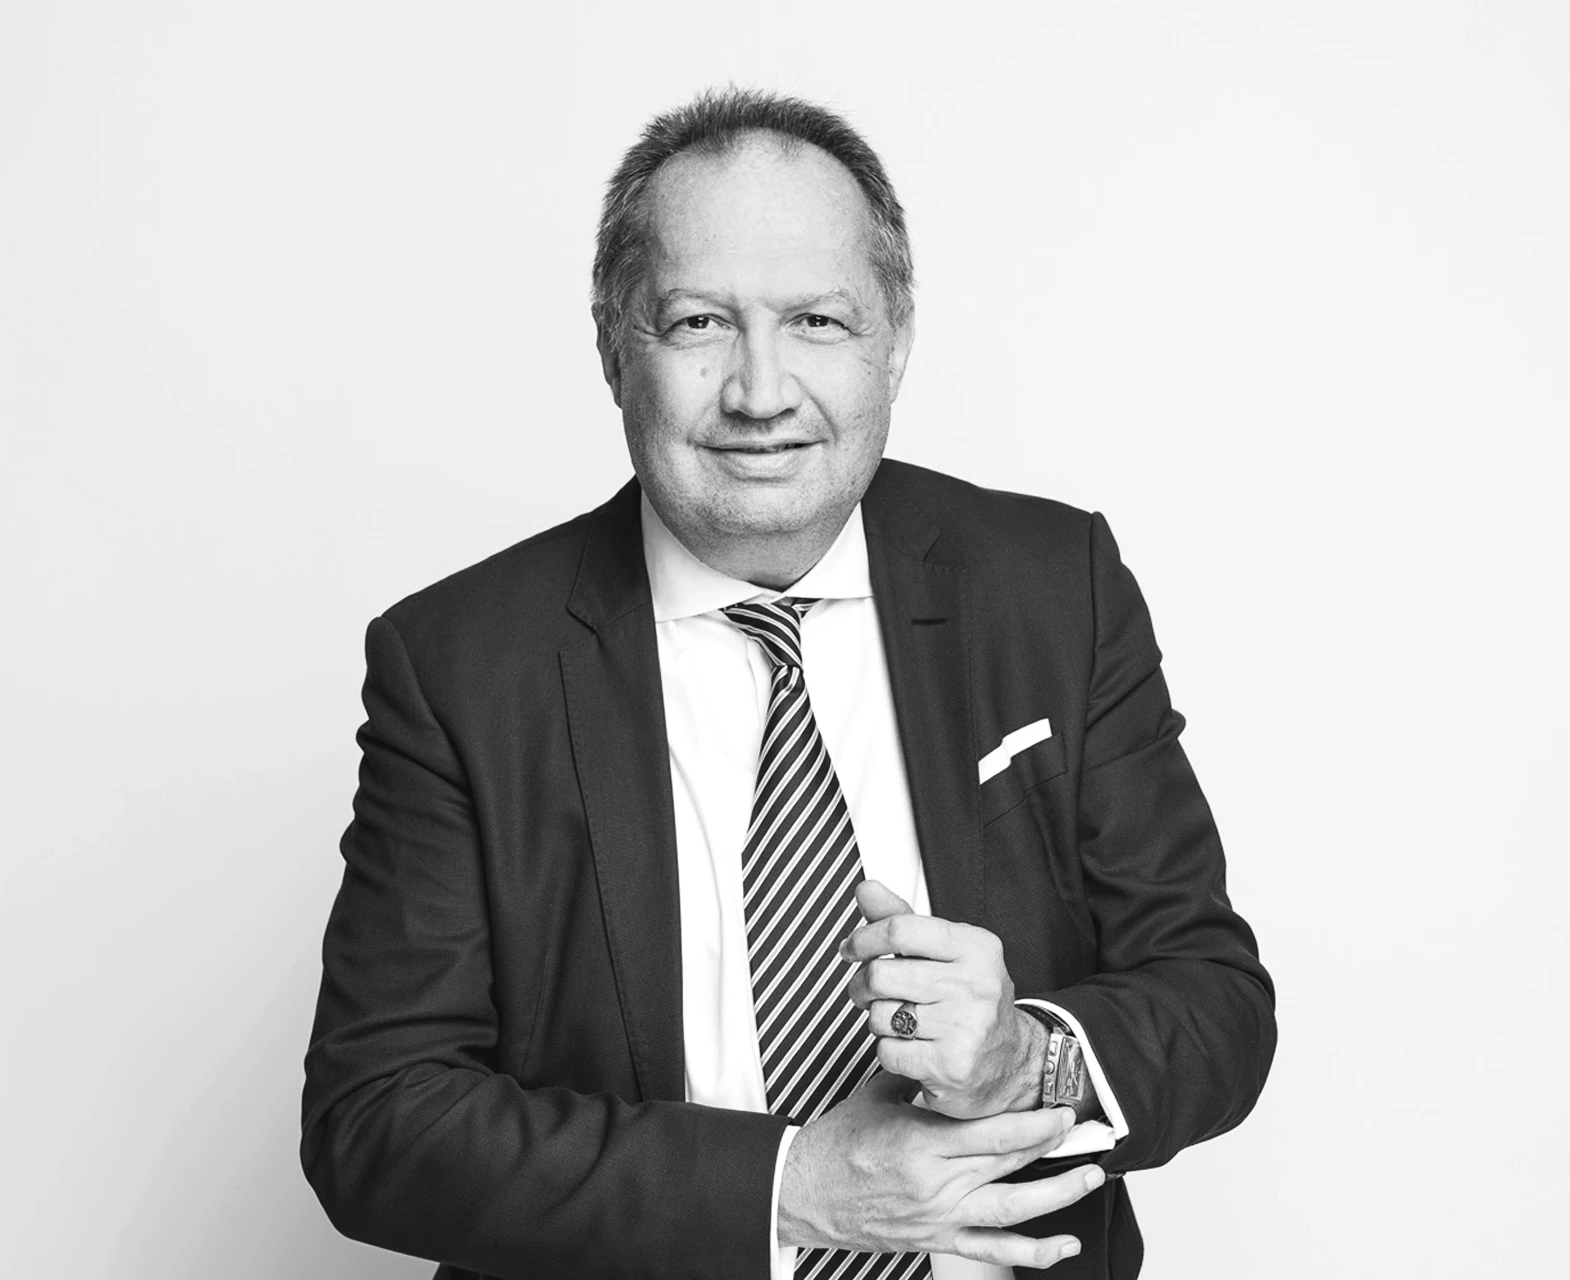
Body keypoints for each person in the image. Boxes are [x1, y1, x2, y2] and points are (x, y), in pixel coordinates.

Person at [301, 87, 1275, 1280]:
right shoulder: (460, 662)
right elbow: (376, 1117)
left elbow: (1214, 1003)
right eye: (699, 321)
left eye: (816, 320)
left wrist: (1027, 1058)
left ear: (892, 342)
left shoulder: (1051, 586)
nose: (759, 392)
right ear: (613, 347)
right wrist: (794, 1188)